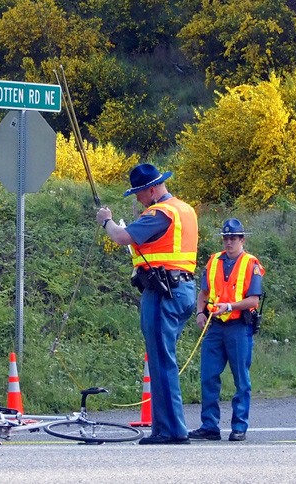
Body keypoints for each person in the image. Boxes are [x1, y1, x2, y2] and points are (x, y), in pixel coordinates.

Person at [96, 163, 198, 445]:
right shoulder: (184, 209)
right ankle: (167, 428)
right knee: (165, 359)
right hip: (183, 289)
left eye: (139, 193)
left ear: (152, 189)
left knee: (161, 362)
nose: (138, 199)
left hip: (164, 293)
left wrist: (107, 220)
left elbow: (120, 237)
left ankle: (171, 430)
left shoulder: (160, 213)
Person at [188, 218, 265, 442]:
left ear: (242, 239)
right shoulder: (213, 261)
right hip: (215, 326)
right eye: (226, 238)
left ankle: (239, 426)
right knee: (208, 376)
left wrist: (230, 306)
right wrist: (200, 312)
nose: (228, 242)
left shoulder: (251, 264)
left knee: (241, 378)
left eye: (233, 238)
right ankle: (209, 425)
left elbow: (252, 300)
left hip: (239, 326)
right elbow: (204, 292)